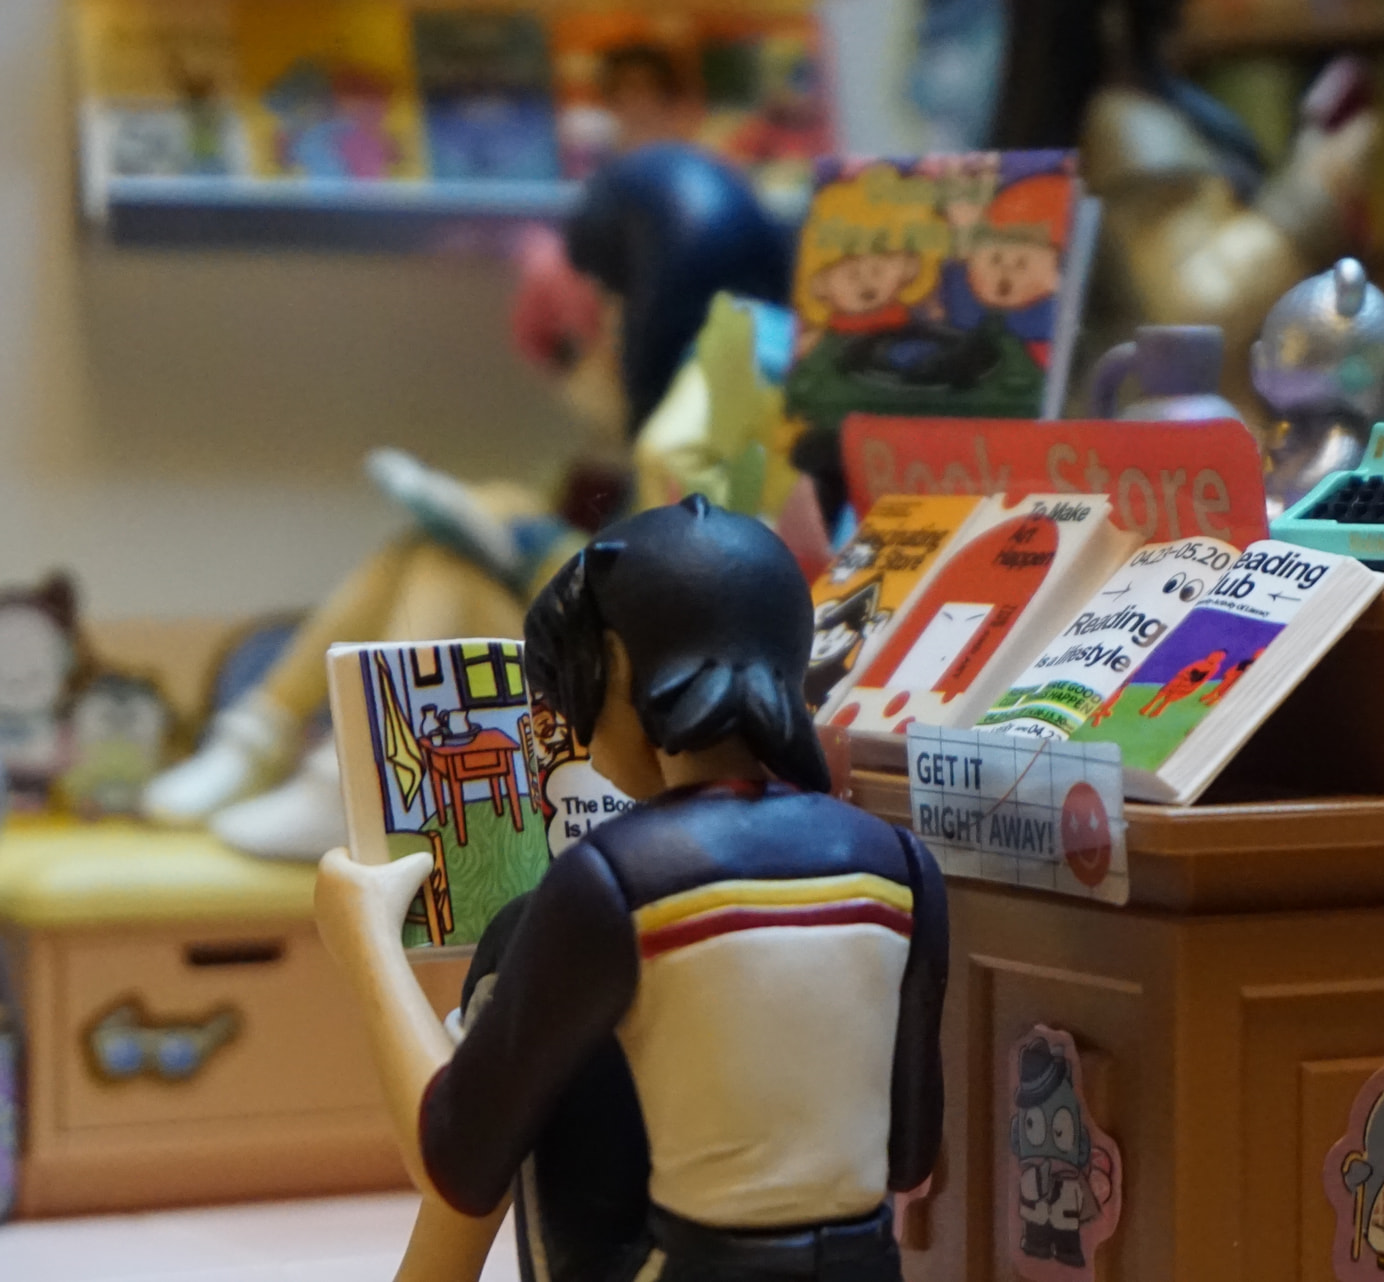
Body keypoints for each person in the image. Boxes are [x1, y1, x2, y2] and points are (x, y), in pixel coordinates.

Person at [314, 496, 948, 1282]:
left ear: (615, 666)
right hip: (863, 1268)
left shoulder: (614, 877)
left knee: (519, 975)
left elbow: (452, 1160)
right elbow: (908, 1154)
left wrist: (368, 940)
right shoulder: (901, 864)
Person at [140, 146, 795, 859]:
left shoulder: (721, 393)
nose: (600, 343)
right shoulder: (729, 380)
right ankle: (284, 752)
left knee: (452, 564)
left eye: (607, 310)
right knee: (437, 551)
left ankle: (332, 773)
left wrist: (528, 541)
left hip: (650, 718)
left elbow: (667, 603)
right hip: (628, 686)